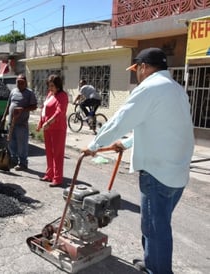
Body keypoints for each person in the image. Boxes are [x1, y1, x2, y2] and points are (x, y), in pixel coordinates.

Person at [82, 48, 194, 274]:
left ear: (143, 67)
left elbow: (119, 121)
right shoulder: (176, 90)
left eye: (137, 70)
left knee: (155, 228)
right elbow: (160, 126)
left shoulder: (149, 88)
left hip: (158, 172)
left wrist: (94, 145)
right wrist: (128, 143)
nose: (137, 75)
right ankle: (152, 262)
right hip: (178, 172)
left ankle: (157, 270)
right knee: (157, 223)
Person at [36, 74, 68, 187]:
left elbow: (59, 112)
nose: (50, 88)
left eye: (52, 86)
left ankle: (57, 178)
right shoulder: (50, 94)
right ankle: (49, 174)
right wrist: (41, 122)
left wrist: (49, 122)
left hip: (57, 129)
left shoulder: (63, 96)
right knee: (49, 152)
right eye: (49, 86)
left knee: (57, 154)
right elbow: (44, 109)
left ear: (58, 85)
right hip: (47, 128)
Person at [1, 74, 37, 171]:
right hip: (11, 123)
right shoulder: (13, 91)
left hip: (22, 124)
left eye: (21, 82)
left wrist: (23, 109)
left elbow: (34, 106)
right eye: (18, 82)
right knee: (11, 143)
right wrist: (4, 116)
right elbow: (8, 105)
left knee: (22, 145)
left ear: (25, 83)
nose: (19, 84)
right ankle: (13, 160)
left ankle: (23, 163)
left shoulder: (30, 93)